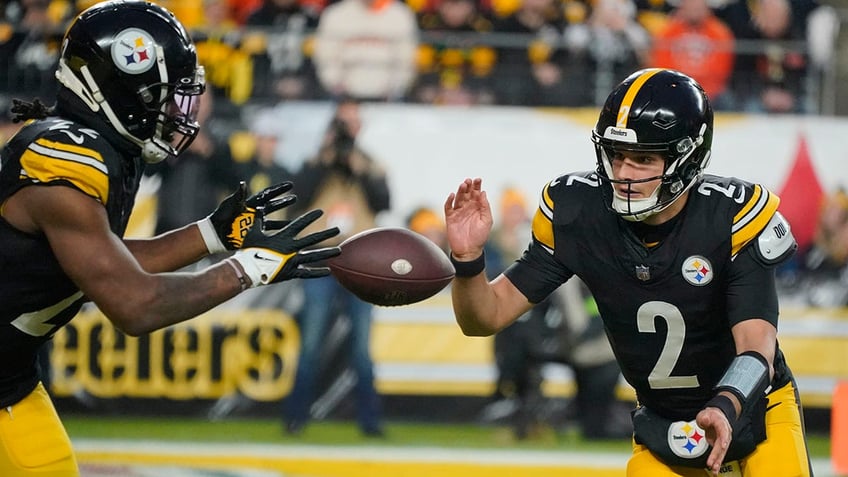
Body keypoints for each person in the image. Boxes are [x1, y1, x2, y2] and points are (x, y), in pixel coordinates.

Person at [0, 2, 340, 476]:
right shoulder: (63, 167)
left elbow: (106, 261)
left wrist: (213, 235)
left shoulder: (105, 150)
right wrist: (249, 269)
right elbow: (133, 303)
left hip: (10, 382)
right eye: (163, 94)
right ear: (122, 92)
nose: (177, 109)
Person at [444, 68, 811, 475]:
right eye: (618, 156)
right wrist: (468, 260)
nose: (624, 174)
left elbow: (757, 346)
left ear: (687, 159)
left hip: (755, 411)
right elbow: (486, 317)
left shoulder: (730, 217)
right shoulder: (578, 213)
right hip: (662, 423)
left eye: (643, 159)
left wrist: (725, 405)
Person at [284, 98, 391, 437]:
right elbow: (298, 197)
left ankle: (370, 423)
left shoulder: (371, 163)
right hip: (320, 254)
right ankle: (295, 418)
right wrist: (328, 158)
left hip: (360, 258)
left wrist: (357, 168)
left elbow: (384, 203)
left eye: (353, 123)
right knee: (311, 341)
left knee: (361, 346)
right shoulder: (317, 161)